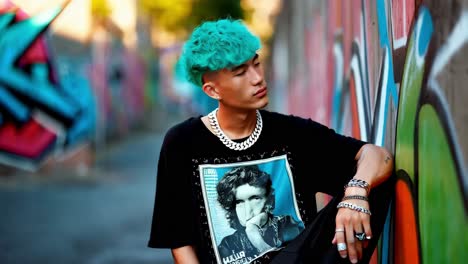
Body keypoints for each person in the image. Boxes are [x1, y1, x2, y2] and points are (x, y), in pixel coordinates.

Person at [148, 18, 394, 264]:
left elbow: (377, 155)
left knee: (373, 184)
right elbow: (179, 239)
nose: (257, 79)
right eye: (241, 73)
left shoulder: (292, 133)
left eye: (256, 64)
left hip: (301, 259)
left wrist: (356, 193)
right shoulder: (183, 142)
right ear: (213, 91)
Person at [216, 165, 304, 263]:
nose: (247, 211)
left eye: (255, 199)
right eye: (239, 202)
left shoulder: (286, 225)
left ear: (269, 201)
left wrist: (253, 232)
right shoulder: (227, 244)